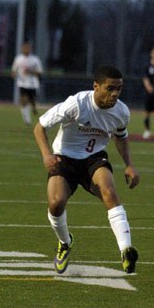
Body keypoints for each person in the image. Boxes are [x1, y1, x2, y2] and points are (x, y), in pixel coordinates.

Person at [33, 65, 140, 274]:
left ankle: (126, 250)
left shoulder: (122, 112)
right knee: (55, 203)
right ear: (96, 86)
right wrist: (47, 155)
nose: (115, 94)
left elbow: (120, 136)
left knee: (109, 191)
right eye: (110, 88)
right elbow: (40, 127)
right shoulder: (77, 104)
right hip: (64, 159)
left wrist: (129, 164)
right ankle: (65, 242)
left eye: (119, 89)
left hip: (94, 159)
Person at [12, 41, 43, 125]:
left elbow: (40, 72)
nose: (26, 49)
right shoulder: (18, 59)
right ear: (22, 49)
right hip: (22, 83)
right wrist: (14, 74)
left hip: (33, 84)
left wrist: (30, 71)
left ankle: (34, 107)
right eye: (24, 48)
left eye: (28, 48)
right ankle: (27, 119)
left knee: (32, 102)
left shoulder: (35, 59)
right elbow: (14, 70)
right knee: (23, 100)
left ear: (30, 49)